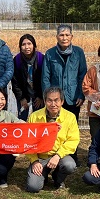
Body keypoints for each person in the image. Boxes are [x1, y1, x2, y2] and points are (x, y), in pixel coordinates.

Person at [41, 24, 87, 165]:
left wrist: (81, 94)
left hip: (73, 97)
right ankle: (50, 153)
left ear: (72, 37)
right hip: (55, 98)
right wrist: (48, 98)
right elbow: (45, 77)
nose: (64, 38)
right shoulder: (50, 54)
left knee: (71, 127)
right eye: (61, 35)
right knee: (53, 126)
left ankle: (72, 156)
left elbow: (82, 75)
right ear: (57, 37)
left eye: (67, 35)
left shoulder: (78, 52)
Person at [25, 86, 80, 192]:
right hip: (40, 157)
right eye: (49, 100)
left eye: (56, 100)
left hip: (59, 155)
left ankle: (58, 179)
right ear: (45, 101)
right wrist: (34, 161)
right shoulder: (34, 117)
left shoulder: (70, 117)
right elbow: (28, 141)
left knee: (69, 165)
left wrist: (58, 155)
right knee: (33, 187)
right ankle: (43, 175)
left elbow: (73, 140)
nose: (53, 104)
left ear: (62, 101)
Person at [11, 34, 44, 121]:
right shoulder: (17, 60)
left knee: (38, 119)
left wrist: (41, 96)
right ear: (20, 47)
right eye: (23, 44)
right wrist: (21, 98)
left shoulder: (41, 59)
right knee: (22, 119)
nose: (26, 47)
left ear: (34, 45)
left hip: (38, 95)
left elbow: (45, 79)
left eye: (29, 44)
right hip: (24, 95)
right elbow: (15, 82)